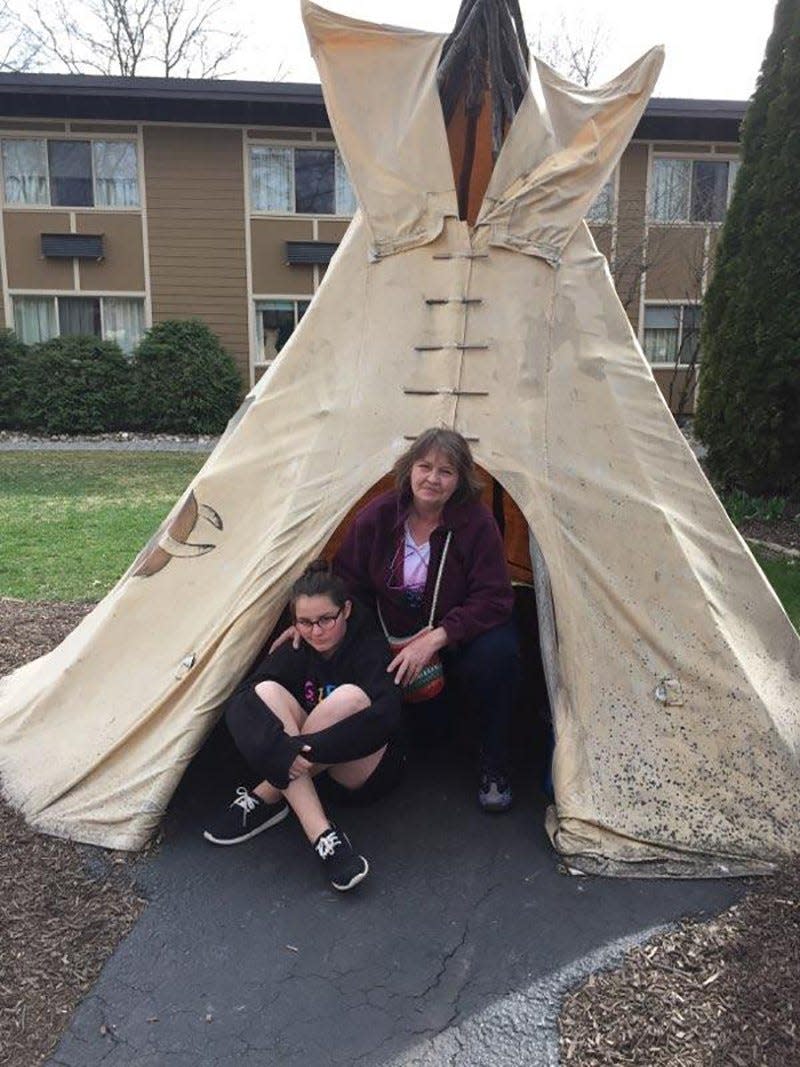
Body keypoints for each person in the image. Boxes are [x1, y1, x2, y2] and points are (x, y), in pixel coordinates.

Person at [334, 427, 519, 811]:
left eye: (446, 472)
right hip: (392, 634)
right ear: (409, 469)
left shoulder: (477, 523)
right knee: (424, 729)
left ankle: (495, 760)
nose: (433, 479)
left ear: (460, 480)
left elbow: (495, 597)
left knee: (500, 653)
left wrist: (437, 637)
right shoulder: (378, 517)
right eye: (425, 466)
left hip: (455, 636)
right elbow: (348, 582)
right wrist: (314, 623)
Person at [203, 562, 404, 892]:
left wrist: (292, 753)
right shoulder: (297, 646)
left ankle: (266, 793)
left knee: (349, 698)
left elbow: (386, 716)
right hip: (311, 766)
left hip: (359, 766)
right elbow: (241, 703)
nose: (316, 631)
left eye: (326, 619)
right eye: (305, 622)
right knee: (264, 691)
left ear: (347, 610)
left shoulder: (369, 646)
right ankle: (324, 836)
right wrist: (281, 747)